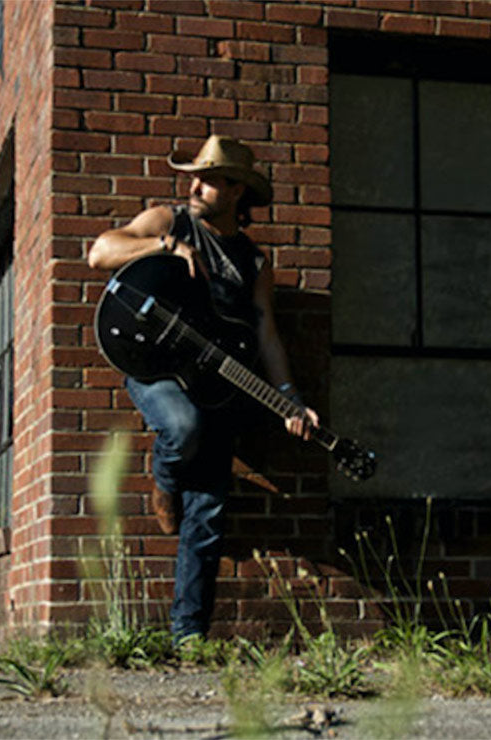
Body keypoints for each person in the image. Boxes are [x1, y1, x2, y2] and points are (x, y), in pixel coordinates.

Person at [88, 135, 319, 642]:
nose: (194, 186)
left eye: (208, 180)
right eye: (194, 176)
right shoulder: (169, 220)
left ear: (237, 190)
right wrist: (164, 246)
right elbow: (100, 253)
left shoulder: (253, 262)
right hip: (155, 369)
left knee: (209, 513)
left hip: (218, 385)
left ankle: (188, 634)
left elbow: (266, 334)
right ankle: (165, 482)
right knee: (181, 426)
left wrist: (289, 396)